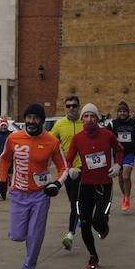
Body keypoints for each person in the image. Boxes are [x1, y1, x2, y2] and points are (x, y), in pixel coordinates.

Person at [0, 103, 68, 269]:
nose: (31, 121)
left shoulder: (52, 141)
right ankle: (26, 248)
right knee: (18, 234)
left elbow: (64, 168)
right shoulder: (14, 138)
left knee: (35, 235)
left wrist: (57, 184)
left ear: (42, 121)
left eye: (36, 118)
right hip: (18, 193)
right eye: (29, 117)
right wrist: (2, 181)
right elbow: (4, 159)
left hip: (40, 195)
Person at [64, 103, 123, 269]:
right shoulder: (78, 138)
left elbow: (120, 150)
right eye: (86, 116)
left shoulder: (107, 135)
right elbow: (68, 158)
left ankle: (103, 228)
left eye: (93, 116)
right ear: (82, 119)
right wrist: (71, 169)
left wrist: (118, 165)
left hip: (104, 184)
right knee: (85, 222)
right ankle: (93, 255)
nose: (89, 119)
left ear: (98, 118)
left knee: (98, 220)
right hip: (86, 185)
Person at [50, 95, 83, 250]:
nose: (71, 108)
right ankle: (78, 219)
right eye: (68, 106)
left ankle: (70, 234)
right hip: (68, 171)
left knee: (79, 201)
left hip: (86, 169)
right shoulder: (59, 124)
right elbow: (49, 143)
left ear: (79, 107)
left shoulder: (85, 122)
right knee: (74, 202)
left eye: (74, 106)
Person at [107, 101, 135, 212]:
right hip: (118, 154)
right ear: (117, 113)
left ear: (128, 112)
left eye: (124, 111)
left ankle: (127, 198)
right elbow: (105, 136)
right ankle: (124, 195)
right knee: (120, 177)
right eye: (120, 111)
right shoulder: (113, 124)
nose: (122, 113)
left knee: (126, 176)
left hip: (130, 152)